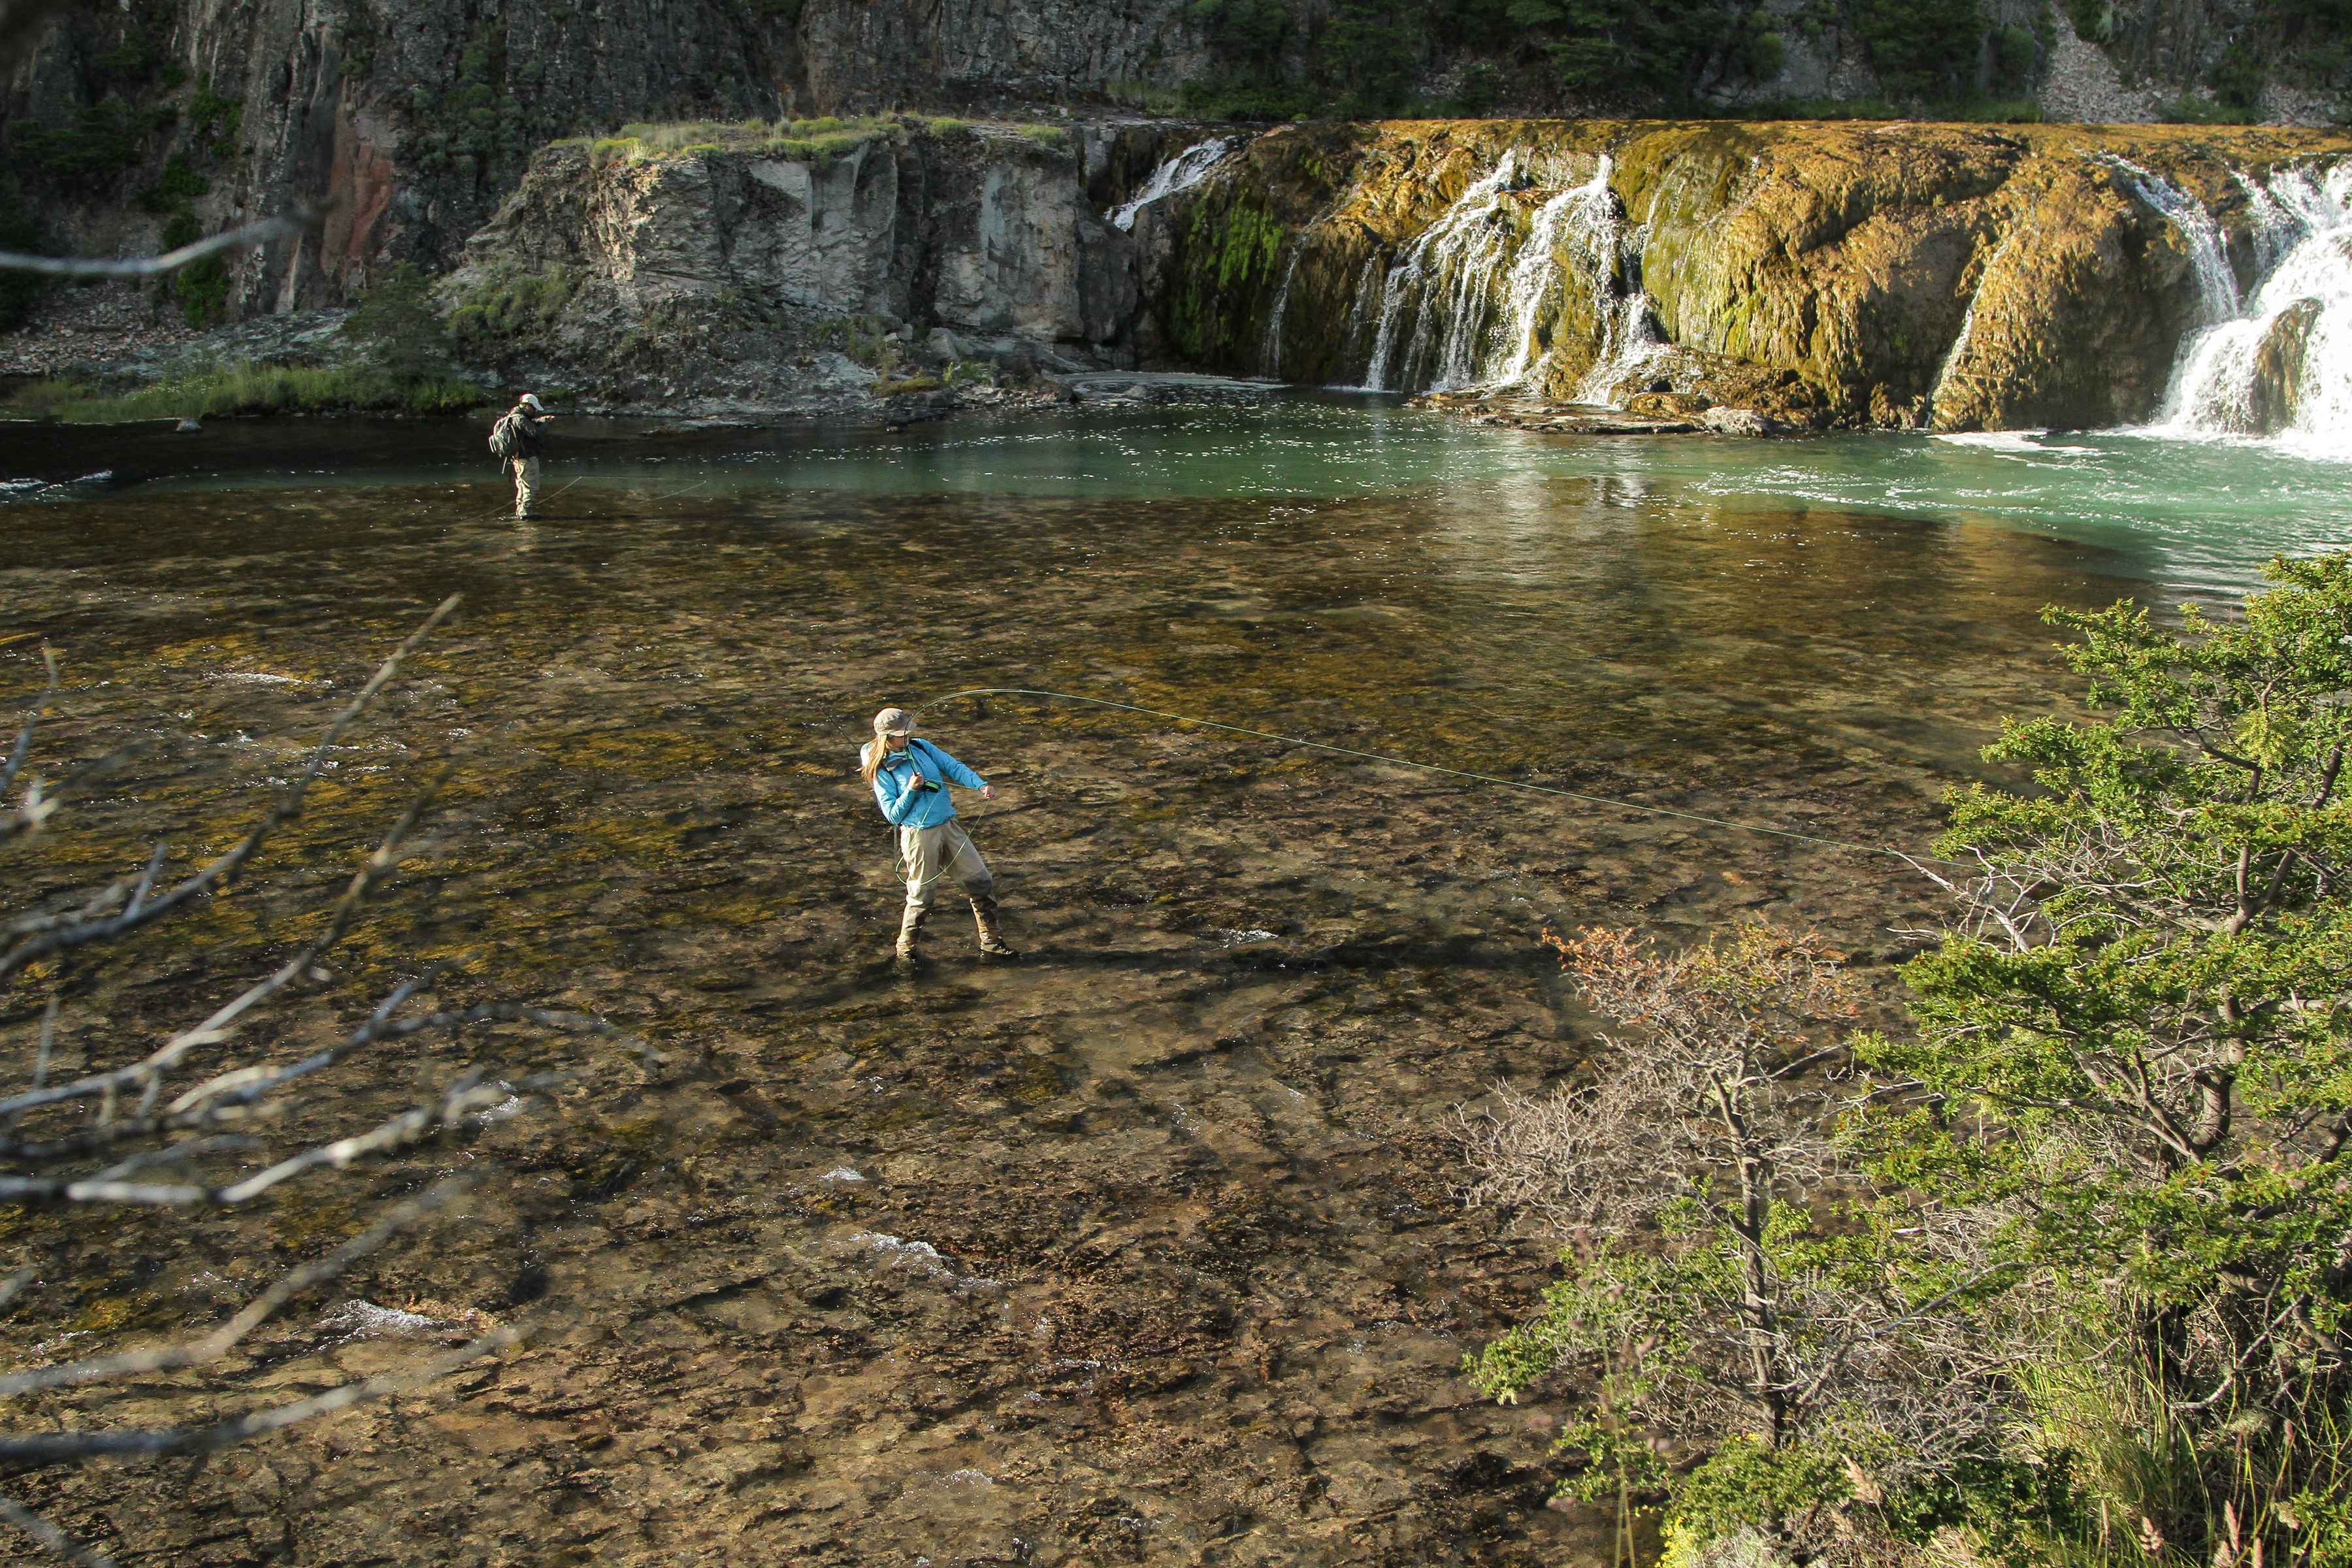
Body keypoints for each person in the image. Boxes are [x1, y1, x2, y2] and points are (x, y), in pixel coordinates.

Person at [859, 706, 1017, 968]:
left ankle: (991, 943)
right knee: (922, 895)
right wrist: (911, 790)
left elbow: (952, 767)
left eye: (908, 732)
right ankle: (905, 950)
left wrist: (981, 785)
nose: (906, 737)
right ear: (887, 738)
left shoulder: (920, 746)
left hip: (949, 826)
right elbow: (892, 816)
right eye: (901, 735)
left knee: (981, 882)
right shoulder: (881, 769)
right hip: (919, 835)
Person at [502, 393, 552, 517]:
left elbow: (529, 426)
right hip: (527, 459)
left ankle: (521, 513)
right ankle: (526, 515)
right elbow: (535, 433)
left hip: (519, 459)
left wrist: (541, 420)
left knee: (523, 487)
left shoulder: (514, 417)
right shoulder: (521, 419)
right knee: (532, 488)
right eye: (534, 408)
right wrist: (546, 424)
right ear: (527, 406)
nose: (535, 411)